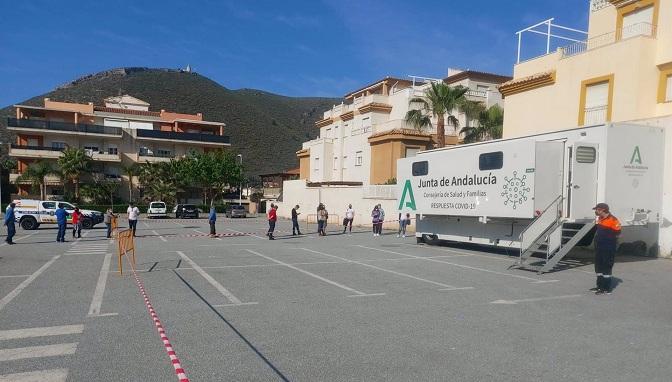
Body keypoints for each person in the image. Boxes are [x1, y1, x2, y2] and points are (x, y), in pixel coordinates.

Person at [592, 203, 621, 295]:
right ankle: (599, 286)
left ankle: (606, 288)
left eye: (597, 210)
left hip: (608, 247)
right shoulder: (600, 218)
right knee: (598, 267)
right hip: (599, 247)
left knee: (606, 267)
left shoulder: (613, 220)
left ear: (603, 210)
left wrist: (608, 240)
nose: (596, 211)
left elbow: (618, 233)